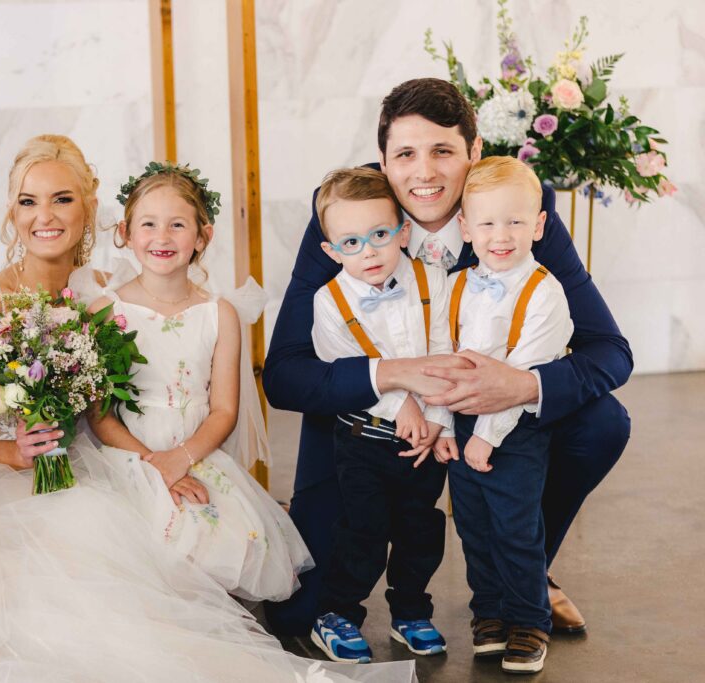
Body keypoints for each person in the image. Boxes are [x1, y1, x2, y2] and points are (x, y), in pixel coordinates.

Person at [0, 135, 417, 682]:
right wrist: (11, 453)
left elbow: (141, 405)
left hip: (89, 469)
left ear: (91, 209)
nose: (44, 215)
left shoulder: (99, 295)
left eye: (61, 199)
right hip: (3, 487)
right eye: (27, 201)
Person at [263, 78, 632, 636]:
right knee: (298, 612)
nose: (425, 173)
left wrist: (523, 386)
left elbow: (610, 351)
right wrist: (391, 375)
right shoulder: (349, 211)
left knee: (604, 422)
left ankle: (524, 571)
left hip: (493, 416)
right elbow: (286, 375)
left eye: (443, 151)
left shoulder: (518, 207)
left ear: (475, 152)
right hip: (369, 423)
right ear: (383, 161)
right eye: (406, 154)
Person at [85, 162, 311, 601]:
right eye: (148, 224)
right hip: (129, 457)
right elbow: (99, 415)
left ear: (202, 236)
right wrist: (154, 463)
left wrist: (181, 458)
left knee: (211, 537)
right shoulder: (106, 311)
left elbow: (225, 409)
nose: (162, 237)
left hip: (195, 452)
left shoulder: (219, 314)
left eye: (177, 225)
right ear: (126, 234)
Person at [307, 167, 454, 663]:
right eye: (350, 242)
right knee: (362, 531)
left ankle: (411, 611)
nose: (367, 251)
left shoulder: (433, 281)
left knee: (420, 530)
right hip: (363, 440)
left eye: (379, 235)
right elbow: (342, 369)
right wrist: (401, 402)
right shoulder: (328, 302)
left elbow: (445, 350)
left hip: (424, 441)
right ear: (331, 251)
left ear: (404, 232)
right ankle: (338, 612)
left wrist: (438, 420)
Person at [448, 156, 574, 674]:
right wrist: (440, 425)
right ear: (465, 227)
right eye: (488, 223)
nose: (501, 235)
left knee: (515, 529)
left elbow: (521, 372)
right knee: (473, 529)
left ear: (539, 225)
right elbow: (440, 356)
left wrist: (485, 437)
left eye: (516, 221)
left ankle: (529, 620)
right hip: (459, 427)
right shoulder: (456, 285)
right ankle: (490, 614)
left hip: (513, 432)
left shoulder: (546, 293)